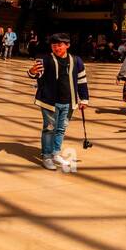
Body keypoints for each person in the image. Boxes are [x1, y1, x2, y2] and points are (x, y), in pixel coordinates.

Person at [28, 32, 89, 171]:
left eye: (59, 45)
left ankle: (56, 153)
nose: (56, 48)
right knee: (49, 128)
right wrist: (32, 71)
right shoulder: (44, 60)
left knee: (61, 128)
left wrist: (84, 98)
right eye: (53, 45)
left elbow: (81, 80)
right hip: (49, 101)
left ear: (67, 45)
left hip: (68, 101)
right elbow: (35, 74)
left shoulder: (76, 61)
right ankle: (47, 156)